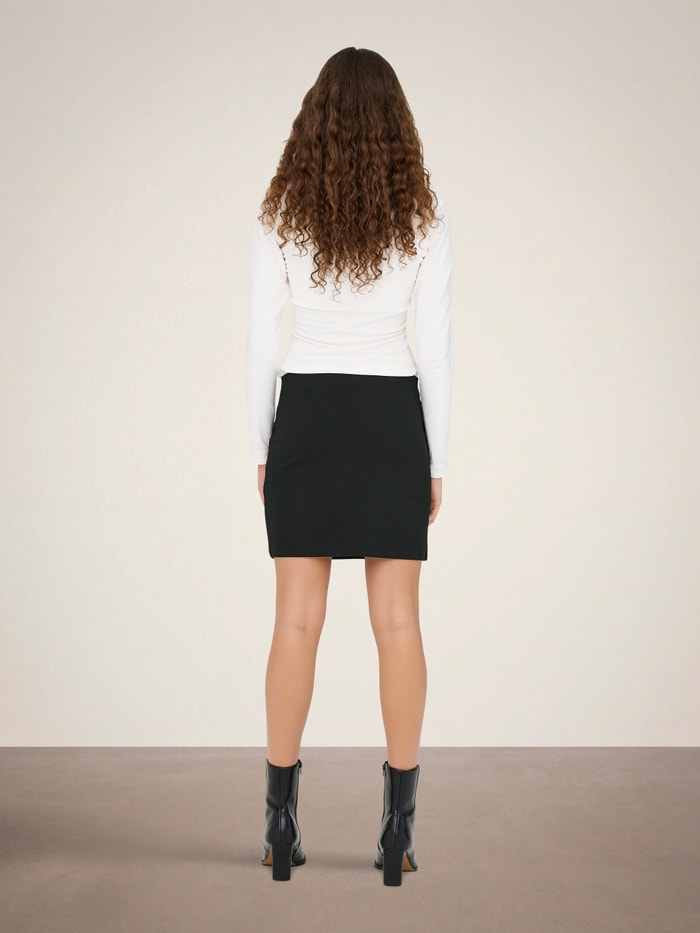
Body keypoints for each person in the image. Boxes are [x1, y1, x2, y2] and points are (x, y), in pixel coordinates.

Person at [245, 46, 454, 885]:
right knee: (398, 622)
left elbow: (261, 344)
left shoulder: (281, 214)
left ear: (314, 122)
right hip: (390, 420)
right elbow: (435, 351)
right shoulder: (423, 218)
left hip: (308, 415)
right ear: (397, 126)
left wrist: (262, 447)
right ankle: (398, 832)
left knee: (295, 620)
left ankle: (279, 825)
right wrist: (436, 458)